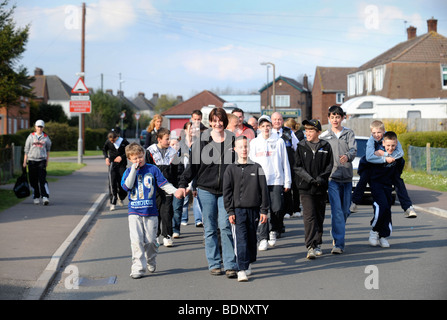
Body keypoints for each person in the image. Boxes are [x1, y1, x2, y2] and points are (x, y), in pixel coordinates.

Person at [177, 107, 238, 278]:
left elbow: (242, 164)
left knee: (225, 226)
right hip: (206, 189)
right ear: (210, 122)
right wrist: (183, 185)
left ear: (225, 122)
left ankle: (230, 264)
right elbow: (191, 168)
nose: (218, 123)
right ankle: (214, 263)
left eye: (220, 120)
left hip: (227, 190)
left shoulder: (233, 141)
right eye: (214, 120)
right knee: (210, 227)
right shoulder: (201, 143)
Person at [121, 143, 180, 279]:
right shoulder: (128, 172)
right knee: (136, 241)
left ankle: (151, 259)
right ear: (130, 159)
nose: (138, 161)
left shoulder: (152, 169)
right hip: (134, 212)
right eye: (135, 159)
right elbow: (127, 186)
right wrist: (133, 171)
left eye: (140, 157)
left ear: (144, 156)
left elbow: (163, 184)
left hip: (151, 212)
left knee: (151, 241)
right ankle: (137, 268)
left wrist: (175, 191)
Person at [223, 136, 269, 281]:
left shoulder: (257, 167)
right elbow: (227, 192)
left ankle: (248, 262)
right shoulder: (230, 169)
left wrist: (264, 210)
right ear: (235, 149)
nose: (244, 149)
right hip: (238, 211)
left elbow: (264, 190)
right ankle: (241, 268)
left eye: (246, 146)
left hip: (254, 210)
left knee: (251, 238)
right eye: (241, 147)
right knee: (241, 239)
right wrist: (230, 210)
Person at [350, 120, 417, 218]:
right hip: (369, 166)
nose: (376, 135)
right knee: (364, 178)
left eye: (379, 132)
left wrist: (384, 154)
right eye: (374, 133)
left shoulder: (391, 138)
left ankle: (408, 208)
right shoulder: (371, 141)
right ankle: (354, 203)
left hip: (388, 167)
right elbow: (369, 157)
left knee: (399, 181)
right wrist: (385, 158)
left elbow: (400, 153)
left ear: (384, 131)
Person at [249, 115, 291, 250]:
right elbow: (250, 163)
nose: (266, 128)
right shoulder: (254, 143)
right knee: (262, 210)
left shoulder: (279, 142)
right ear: (259, 128)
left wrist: (287, 182)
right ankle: (263, 238)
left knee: (277, 208)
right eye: (263, 126)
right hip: (259, 181)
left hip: (276, 180)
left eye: (268, 126)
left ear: (271, 127)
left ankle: (273, 230)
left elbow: (285, 162)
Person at [293, 120, 333, 259]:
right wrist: (310, 179)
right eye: (306, 130)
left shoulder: (325, 146)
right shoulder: (301, 146)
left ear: (318, 132)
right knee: (309, 217)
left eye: (311, 130)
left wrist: (321, 178)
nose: (308, 133)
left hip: (321, 187)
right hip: (305, 187)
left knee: (319, 216)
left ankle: (317, 243)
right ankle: (310, 246)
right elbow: (297, 167)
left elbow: (329, 165)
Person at [320, 105, 357, 254]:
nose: (335, 119)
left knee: (345, 211)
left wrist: (347, 156)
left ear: (342, 118)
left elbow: (354, 150)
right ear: (328, 118)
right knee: (337, 211)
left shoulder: (349, 133)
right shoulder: (324, 136)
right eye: (332, 117)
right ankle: (338, 244)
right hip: (332, 178)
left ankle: (336, 230)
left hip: (347, 177)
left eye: (338, 117)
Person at [367, 131, 402, 248]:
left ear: (396, 144)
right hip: (377, 186)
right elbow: (367, 161)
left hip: (388, 187)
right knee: (380, 208)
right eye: (388, 145)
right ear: (383, 144)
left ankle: (383, 236)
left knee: (387, 210)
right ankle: (374, 231)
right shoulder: (376, 155)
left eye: (393, 145)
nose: (390, 148)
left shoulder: (397, 158)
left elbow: (397, 174)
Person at [146, 128, 179, 247]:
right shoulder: (150, 151)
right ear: (159, 139)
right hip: (153, 187)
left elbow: (177, 171)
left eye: (169, 138)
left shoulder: (173, 152)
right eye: (167, 139)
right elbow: (146, 169)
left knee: (167, 211)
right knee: (155, 212)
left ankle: (167, 235)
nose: (169, 141)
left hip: (168, 186)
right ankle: (155, 235)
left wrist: (178, 186)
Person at [172, 122, 203, 238]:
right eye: (190, 128)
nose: (192, 131)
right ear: (185, 130)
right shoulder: (180, 144)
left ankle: (199, 220)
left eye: (194, 129)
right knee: (179, 203)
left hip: (195, 175)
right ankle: (177, 226)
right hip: (181, 176)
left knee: (197, 199)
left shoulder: (200, 143)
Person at [271, 112, 300, 225]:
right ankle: (278, 221)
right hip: (274, 168)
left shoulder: (289, 133)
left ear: (282, 121)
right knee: (277, 195)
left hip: (288, 166)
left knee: (289, 189)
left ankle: (288, 210)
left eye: (279, 119)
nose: (277, 122)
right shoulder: (269, 134)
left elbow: (297, 147)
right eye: (275, 120)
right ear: (271, 121)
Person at [23, 119, 52, 205]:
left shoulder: (46, 137)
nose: (39, 128)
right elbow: (26, 149)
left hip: (41, 160)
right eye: (38, 127)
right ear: (35, 127)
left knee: (42, 179)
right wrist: (25, 161)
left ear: (43, 128)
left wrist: (47, 160)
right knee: (33, 180)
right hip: (32, 160)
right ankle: (36, 196)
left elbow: (48, 150)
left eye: (41, 127)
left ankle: (45, 197)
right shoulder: (31, 136)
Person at [102, 130, 129, 211]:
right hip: (112, 165)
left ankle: (121, 197)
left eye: (113, 140)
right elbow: (104, 150)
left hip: (122, 165)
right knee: (112, 183)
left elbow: (129, 152)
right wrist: (106, 158)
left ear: (117, 137)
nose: (112, 142)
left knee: (123, 183)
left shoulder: (124, 142)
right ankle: (113, 202)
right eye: (110, 141)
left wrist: (122, 157)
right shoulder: (108, 142)